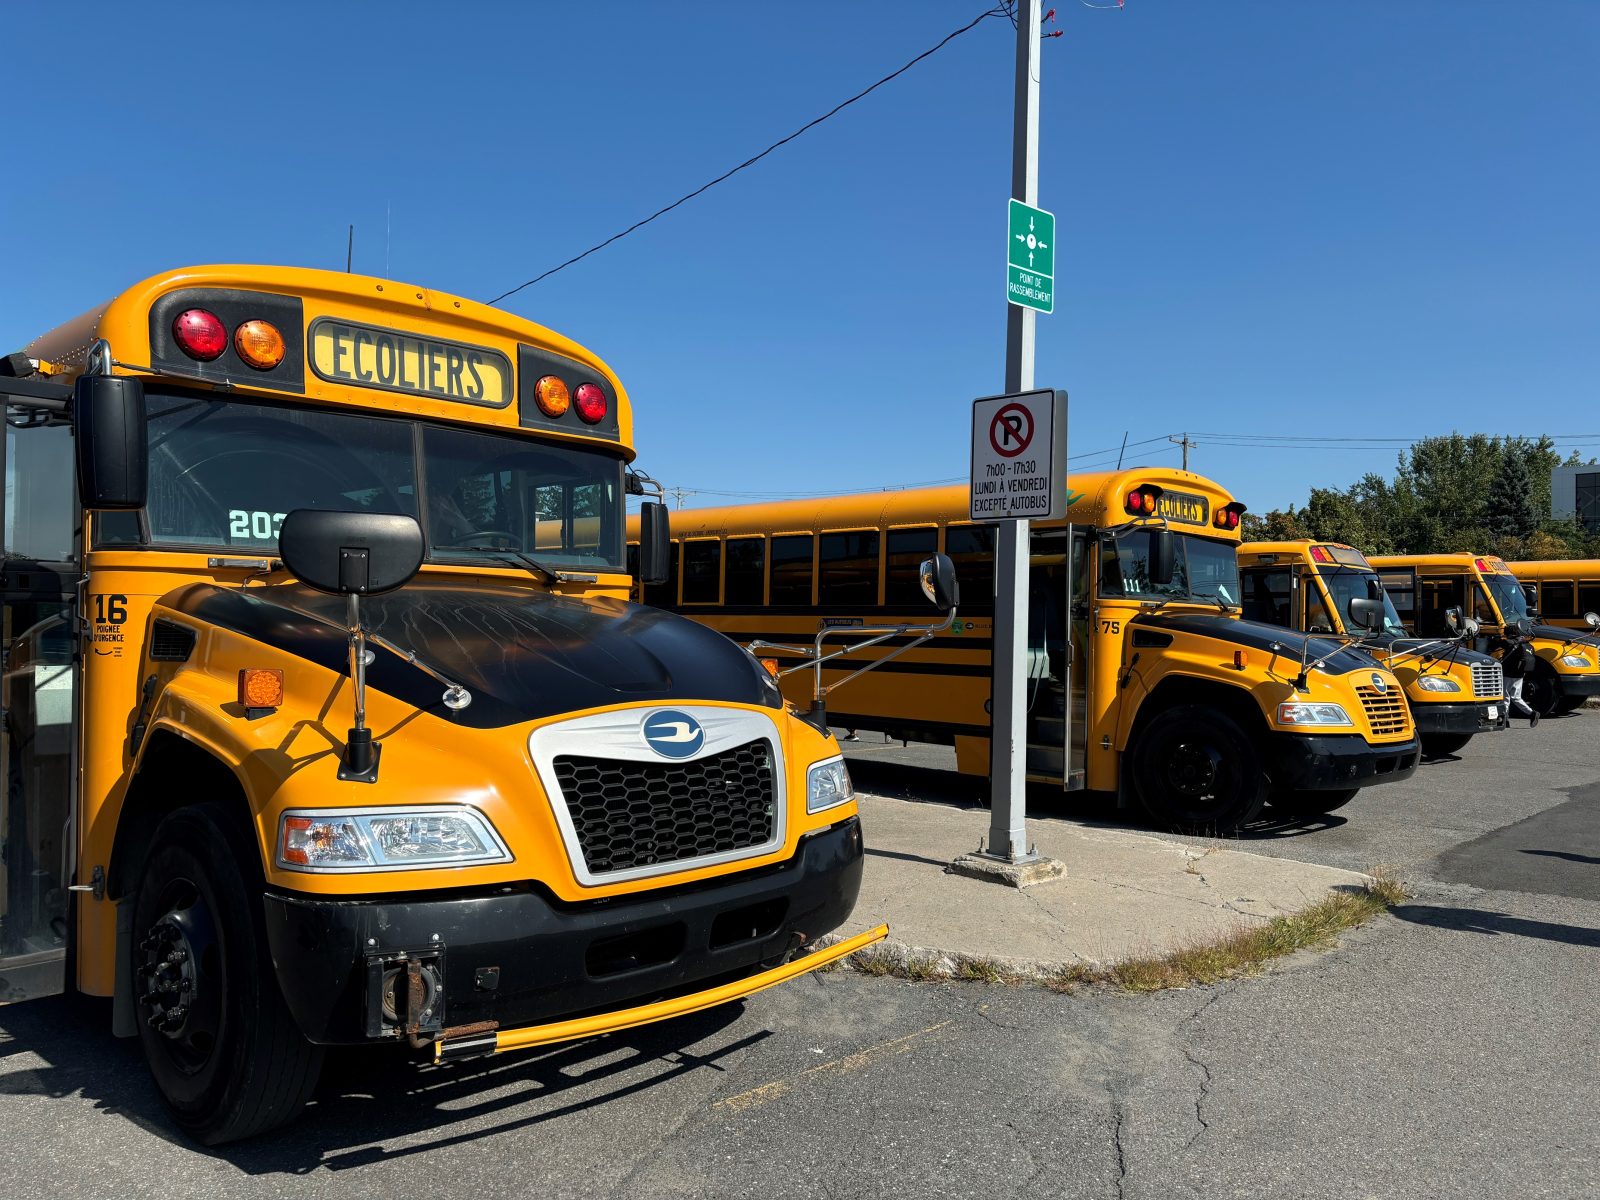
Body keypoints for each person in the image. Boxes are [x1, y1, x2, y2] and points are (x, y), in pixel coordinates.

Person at [1490, 623, 1540, 726]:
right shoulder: (1526, 644)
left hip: (1508, 673)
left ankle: (1504, 719)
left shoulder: (1510, 642)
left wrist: (1496, 638)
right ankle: (1532, 713)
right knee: (1516, 697)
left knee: (1505, 696)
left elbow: (1496, 643)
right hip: (1520, 674)